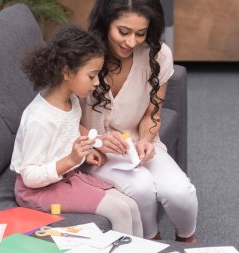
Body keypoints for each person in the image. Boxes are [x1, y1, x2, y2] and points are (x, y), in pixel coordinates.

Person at [79, 0, 198, 242]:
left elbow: (153, 113)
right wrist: (97, 141)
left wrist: (146, 139)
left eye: (140, 33)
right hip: (93, 148)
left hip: (136, 142)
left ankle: (188, 241)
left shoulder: (158, 55)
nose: (131, 42)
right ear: (106, 23)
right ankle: (151, 240)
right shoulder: (81, 55)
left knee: (181, 193)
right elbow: (63, 117)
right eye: (123, 32)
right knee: (141, 188)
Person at [10, 26, 143, 237]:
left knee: (130, 205)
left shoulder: (70, 99)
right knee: (119, 210)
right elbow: (30, 177)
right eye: (92, 76)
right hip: (37, 191)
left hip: (65, 177)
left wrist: (96, 142)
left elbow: (71, 128)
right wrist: (71, 159)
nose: (97, 82)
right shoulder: (41, 119)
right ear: (67, 72)